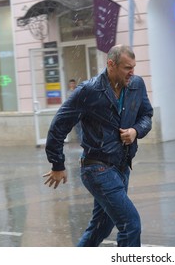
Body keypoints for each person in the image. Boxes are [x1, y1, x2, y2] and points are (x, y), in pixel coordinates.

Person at [43, 45, 153, 247]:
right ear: (111, 64)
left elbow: (147, 115)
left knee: (100, 228)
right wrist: (57, 164)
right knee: (131, 225)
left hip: (121, 167)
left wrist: (136, 131)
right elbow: (58, 127)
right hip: (97, 168)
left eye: (133, 67)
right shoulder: (89, 91)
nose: (132, 73)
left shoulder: (136, 84)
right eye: (127, 68)